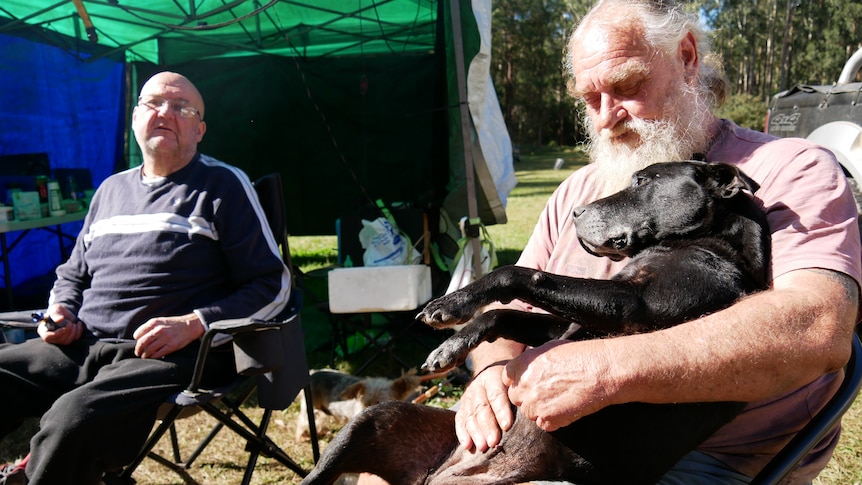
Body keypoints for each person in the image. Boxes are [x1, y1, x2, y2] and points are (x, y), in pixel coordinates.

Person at [356, 1, 861, 484]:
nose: (605, 116)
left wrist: (608, 370)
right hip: (536, 435)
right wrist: (490, 373)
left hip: (701, 461)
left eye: (626, 85)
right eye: (588, 99)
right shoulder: (579, 192)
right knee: (379, 469)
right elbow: (515, 320)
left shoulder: (789, 169)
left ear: (686, 58)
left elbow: (817, 325)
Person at [0, 71, 291, 485]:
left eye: (182, 108)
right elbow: (73, 272)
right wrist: (61, 307)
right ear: (135, 117)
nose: (165, 113)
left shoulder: (221, 185)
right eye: (153, 103)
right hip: (83, 344)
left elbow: (272, 285)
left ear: (200, 129)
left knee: (73, 419)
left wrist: (194, 323)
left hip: (170, 356)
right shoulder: (109, 190)